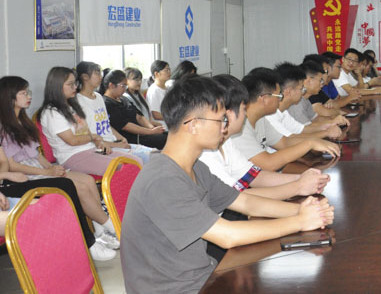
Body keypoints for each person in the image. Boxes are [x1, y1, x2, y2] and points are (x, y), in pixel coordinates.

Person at [120, 76, 335, 293]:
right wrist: (299, 221)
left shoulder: (195, 168)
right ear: (193, 125)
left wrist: (305, 210)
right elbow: (227, 236)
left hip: (202, 276)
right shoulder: (163, 181)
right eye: (221, 120)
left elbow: (246, 202)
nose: (225, 127)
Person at [0, 76, 117, 261]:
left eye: (28, 92)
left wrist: (52, 167)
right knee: (73, 186)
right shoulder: (4, 128)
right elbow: (13, 165)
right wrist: (47, 172)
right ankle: (97, 238)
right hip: (23, 175)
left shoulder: (23, 121)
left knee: (87, 181)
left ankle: (101, 232)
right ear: (10, 97)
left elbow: (36, 154)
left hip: (37, 169)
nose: (29, 96)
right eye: (24, 93)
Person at [198, 74, 329, 199]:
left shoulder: (227, 143)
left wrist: (301, 179)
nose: (245, 114)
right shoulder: (206, 153)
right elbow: (238, 199)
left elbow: (254, 177)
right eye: (244, 109)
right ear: (227, 114)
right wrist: (298, 187)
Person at [228, 70, 340, 172]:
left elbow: (284, 143)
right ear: (264, 99)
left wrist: (315, 142)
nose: (280, 100)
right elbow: (268, 164)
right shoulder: (239, 128)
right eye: (279, 95)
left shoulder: (261, 119)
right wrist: (310, 144)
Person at [38, 66, 135, 176]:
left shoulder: (72, 106)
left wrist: (100, 143)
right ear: (57, 86)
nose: (75, 87)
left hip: (91, 149)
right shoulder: (51, 112)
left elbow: (84, 130)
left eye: (75, 83)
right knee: (121, 168)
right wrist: (93, 137)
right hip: (72, 157)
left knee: (134, 161)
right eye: (70, 84)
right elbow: (72, 141)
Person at [75, 62, 149, 164]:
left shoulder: (98, 97)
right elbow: (87, 136)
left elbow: (107, 124)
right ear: (85, 77)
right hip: (101, 147)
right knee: (144, 158)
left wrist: (121, 138)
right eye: (97, 73)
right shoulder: (78, 101)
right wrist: (117, 145)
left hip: (114, 142)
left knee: (153, 153)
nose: (101, 77)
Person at [102, 70, 167, 150]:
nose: (124, 89)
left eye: (126, 86)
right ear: (111, 85)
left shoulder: (123, 99)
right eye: (123, 86)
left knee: (168, 135)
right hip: (131, 139)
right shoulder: (106, 103)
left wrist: (152, 128)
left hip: (142, 133)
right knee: (166, 140)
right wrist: (151, 132)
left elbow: (139, 116)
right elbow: (126, 126)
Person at [145, 60, 170, 124]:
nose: (169, 72)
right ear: (156, 73)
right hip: (162, 126)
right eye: (166, 70)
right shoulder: (153, 91)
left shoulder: (168, 88)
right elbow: (156, 115)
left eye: (169, 69)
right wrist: (174, 118)